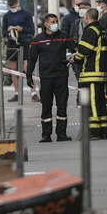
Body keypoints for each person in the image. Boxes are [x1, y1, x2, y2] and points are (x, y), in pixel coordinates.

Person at [27, 13, 75, 142]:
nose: (55, 24)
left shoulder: (63, 37)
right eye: (52, 22)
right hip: (46, 78)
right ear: (46, 24)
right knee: (46, 106)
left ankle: (61, 134)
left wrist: (72, 58)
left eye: (56, 21)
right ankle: (46, 134)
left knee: (62, 106)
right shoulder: (38, 39)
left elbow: (75, 50)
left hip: (61, 77)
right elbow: (32, 59)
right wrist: (28, 75)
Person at [74, 8, 107, 139]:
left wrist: (75, 58)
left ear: (87, 18)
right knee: (100, 103)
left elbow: (84, 50)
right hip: (100, 72)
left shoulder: (90, 30)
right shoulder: (103, 30)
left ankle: (94, 131)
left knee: (92, 103)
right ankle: (103, 129)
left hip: (91, 73)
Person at [2, 0, 36, 102]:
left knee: (27, 67)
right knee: (13, 69)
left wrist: (21, 29)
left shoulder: (26, 15)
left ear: (18, 3)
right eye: (11, 7)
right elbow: (3, 32)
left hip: (24, 43)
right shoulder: (7, 16)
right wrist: (8, 30)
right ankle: (16, 93)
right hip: (11, 44)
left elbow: (32, 30)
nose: (13, 9)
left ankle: (33, 92)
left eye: (14, 6)